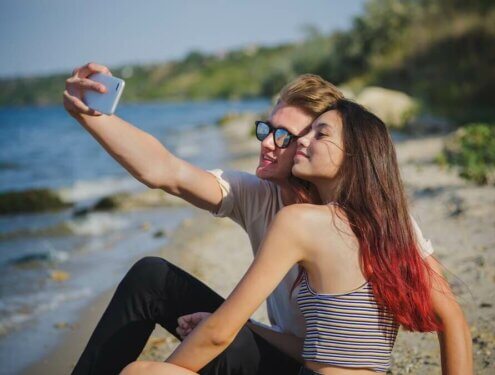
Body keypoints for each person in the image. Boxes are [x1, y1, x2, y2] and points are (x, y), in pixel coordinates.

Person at [64, 63, 434, 375]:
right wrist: (92, 115)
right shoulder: (259, 194)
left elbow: (443, 312)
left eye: (284, 136)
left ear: (316, 145)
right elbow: (166, 171)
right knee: (152, 276)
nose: (268, 142)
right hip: (287, 356)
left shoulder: (374, 219)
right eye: (266, 129)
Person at [120, 99, 473, 375]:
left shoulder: (301, 221)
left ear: (354, 156)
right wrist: (251, 330)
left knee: (140, 371)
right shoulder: (388, 228)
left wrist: (168, 370)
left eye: (320, 134)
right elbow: (452, 317)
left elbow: (218, 334)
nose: (302, 140)